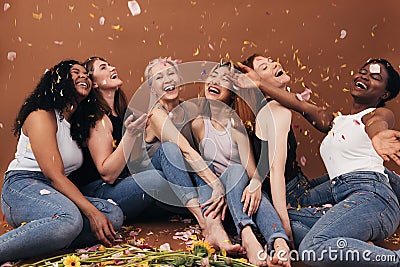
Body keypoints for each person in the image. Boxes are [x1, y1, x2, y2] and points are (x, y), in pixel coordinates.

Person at [233, 57, 400, 266]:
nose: (365, 76)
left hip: (372, 196)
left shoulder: (376, 114)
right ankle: (351, 244)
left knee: (312, 248)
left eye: (375, 77)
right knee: (278, 218)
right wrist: (258, 84)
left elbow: (376, 123)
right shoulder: (335, 121)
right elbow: (297, 103)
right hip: (342, 189)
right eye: (363, 72)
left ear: (385, 94)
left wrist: (377, 136)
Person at [0, 60, 123, 263]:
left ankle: (48, 231)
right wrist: (91, 213)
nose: (83, 76)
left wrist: (97, 213)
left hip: (55, 192)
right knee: (72, 219)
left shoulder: (73, 124)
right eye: (75, 72)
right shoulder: (41, 115)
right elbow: (54, 175)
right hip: (23, 186)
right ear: (57, 81)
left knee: (112, 215)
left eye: (86, 74)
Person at [191, 60, 291, 266]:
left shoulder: (235, 127)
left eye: (224, 80)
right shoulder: (198, 124)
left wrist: (253, 186)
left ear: (232, 93)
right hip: (219, 202)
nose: (216, 81)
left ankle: (278, 242)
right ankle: (252, 237)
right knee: (218, 171)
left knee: (240, 174)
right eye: (213, 76)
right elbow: (201, 168)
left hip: (242, 198)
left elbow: (253, 173)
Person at [141, 57, 241, 254]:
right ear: (152, 88)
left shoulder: (191, 109)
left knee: (204, 159)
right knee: (171, 149)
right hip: (161, 189)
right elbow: (185, 149)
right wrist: (216, 184)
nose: (167, 79)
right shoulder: (155, 115)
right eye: (160, 77)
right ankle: (205, 224)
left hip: (186, 190)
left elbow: (204, 148)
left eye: (171, 74)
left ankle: (216, 229)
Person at [69, 56, 167, 223]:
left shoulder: (120, 114)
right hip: (98, 190)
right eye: (103, 67)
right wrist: (129, 135)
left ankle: (200, 206)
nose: (112, 68)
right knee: (157, 179)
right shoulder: (98, 119)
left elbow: (132, 163)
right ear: (95, 83)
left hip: (120, 183)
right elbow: (108, 174)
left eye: (110, 65)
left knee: (169, 154)